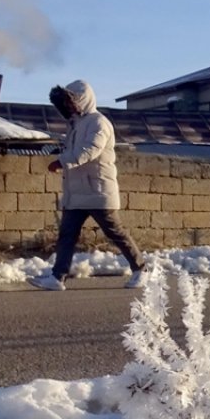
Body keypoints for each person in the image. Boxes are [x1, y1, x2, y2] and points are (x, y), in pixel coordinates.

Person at [27, 79, 146, 291]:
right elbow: (76, 150)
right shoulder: (75, 124)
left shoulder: (98, 122)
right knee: (66, 235)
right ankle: (57, 277)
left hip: (98, 190)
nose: (69, 106)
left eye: (71, 101)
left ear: (83, 100)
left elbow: (89, 150)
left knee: (115, 233)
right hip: (77, 192)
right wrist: (62, 156)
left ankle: (141, 270)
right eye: (66, 102)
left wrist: (62, 161)